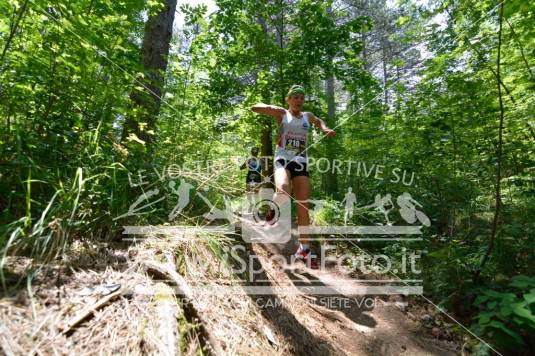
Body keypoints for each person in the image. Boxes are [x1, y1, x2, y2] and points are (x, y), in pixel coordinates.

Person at [251, 85, 336, 269]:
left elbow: (319, 121)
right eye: (295, 97)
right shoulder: (282, 114)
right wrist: (265, 108)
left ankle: (304, 249)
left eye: (301, 98)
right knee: (282, 190)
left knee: (303, 207)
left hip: (301, 162)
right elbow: (255, 107)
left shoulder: (308, 116)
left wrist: (324, 128)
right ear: (288, 99)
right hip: (282, 158)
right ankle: (270, 216)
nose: (298, 100)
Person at [240, 147, 263, 213]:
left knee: (250, 192)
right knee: (253, 192)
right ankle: (254, 205)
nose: (254, 152)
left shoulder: (252, 160)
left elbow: (241, 168)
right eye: (254, 151)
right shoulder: (258, 160)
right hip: (255, 178)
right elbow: (241, 167)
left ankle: (254, 205)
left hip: (252, 178)